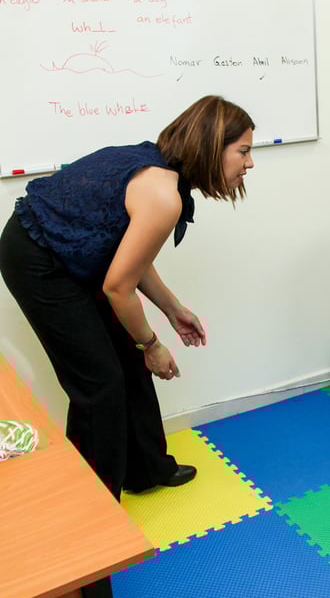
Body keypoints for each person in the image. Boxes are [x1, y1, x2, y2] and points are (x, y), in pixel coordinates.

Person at [0, 95, 254, 597]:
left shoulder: (158, 170)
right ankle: (89, 534)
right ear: (212, 146)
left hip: (70, 255)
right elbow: (118, 285)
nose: (249, 163)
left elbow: (126, 258)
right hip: (38, 261)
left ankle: (144, 469)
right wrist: (153, 343)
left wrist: (173, 308)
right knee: (100, 388)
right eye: (243, 151)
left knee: (124, 369)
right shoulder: (162, 192)